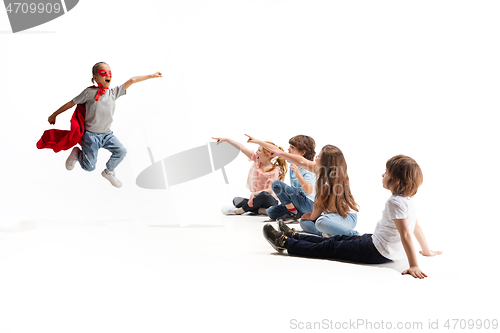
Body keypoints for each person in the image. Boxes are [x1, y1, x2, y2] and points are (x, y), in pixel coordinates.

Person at [263, 155, 442, 279]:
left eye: (386, 172)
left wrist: (414, 265)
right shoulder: (408, 201)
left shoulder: (395, 203)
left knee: (329, 248)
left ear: (395, 181)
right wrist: (426, 251)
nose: (382, 174)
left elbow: (406, 235)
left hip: (376, 251)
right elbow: (416, 227)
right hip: (375, 243)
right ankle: (296, 235)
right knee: (336, 240)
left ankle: (286, 243)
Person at [47, 62, 162, 187]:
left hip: (107, 135)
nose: (108, 75)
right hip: (91, 136)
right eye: (104, 73)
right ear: (95, 77)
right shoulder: (89, 93)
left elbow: (132, 80)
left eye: (110, 73)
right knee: (89, 167)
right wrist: (54, 114)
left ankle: (108, 172)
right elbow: (71, 103)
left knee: (121, 151)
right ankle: (77, 153)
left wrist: (152, 75)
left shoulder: (113, 93)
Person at [269, 145, 359, 236]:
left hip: (346, 218)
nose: (316, 157)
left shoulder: (327, 181)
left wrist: (312, 216)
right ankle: (327, 233)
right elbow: (301, 161)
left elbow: (320, 206)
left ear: (325, 162)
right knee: (304, 222)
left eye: (319, 156)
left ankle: (354, 235)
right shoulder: (320, 170)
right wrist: (279, 153)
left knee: (320, 222)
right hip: (331, 217)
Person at [245, 134, 316, 222]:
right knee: (271, 212)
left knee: (276, 184)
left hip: (308, 205)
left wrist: (298, 175)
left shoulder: (308, 168)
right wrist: (257, 141)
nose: (288, 149)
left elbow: (309, 190)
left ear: (302, 152)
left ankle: (293, 213)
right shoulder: (293, 162)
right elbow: (276, 150)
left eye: (292, 147)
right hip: (297, 203)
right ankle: (296, 213)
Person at [213, 136, 287, 215]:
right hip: (256, 199)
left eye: (259, 150)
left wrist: (255, 193)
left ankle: (239, 211)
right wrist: (227, 139)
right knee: (236, 200)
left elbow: (270, 190)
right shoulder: (257, 161)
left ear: (268, 155)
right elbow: (242, 147)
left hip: (269, 200)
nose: (256, 152)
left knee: (263, 194)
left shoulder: (274, 170)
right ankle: (261, 210)